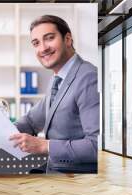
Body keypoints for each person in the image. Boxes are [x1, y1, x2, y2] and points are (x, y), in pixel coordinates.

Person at [10, 15, 99, 173]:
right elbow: (31, 121)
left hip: (76, 180)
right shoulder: (57, 79)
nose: (43, 48)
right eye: (36, 43)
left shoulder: (88, 77)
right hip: (56, 172)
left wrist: (44, 145)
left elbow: (96, 145)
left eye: (49, 38)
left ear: (68, 39)